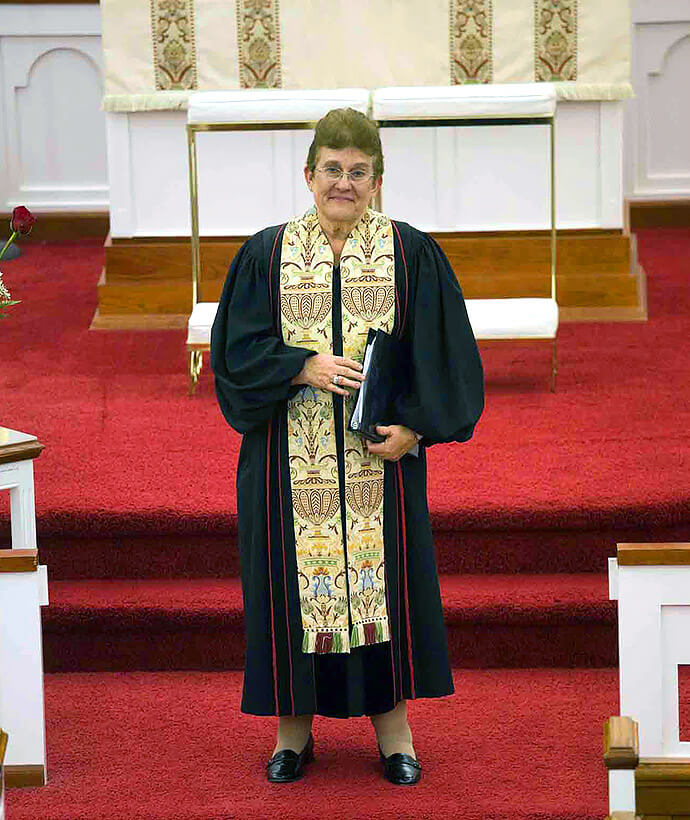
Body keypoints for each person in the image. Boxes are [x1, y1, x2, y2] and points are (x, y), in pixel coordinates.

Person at [210, 107, 483, 785]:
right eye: (332, 169)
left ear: (378, 181)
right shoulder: (267, 254)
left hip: (377, 470)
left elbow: (447, 356)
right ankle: (291, 734)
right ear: (309, 174)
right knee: (289, 593)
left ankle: (395, 736)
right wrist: (301, 365)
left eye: (359, 172)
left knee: (382, 593)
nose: (344, 183)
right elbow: (234, 354)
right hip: (285, 465)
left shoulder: (410, 253)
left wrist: (416, 431)